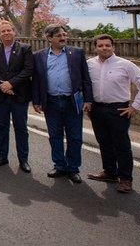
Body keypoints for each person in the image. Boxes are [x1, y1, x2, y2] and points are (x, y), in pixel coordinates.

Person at [86, 34, 140, 194]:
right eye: (100, 45)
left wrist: (135, 106)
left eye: (107, 45)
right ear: (95, 48)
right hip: (96, 109)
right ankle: (110, 172)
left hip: (118, 110)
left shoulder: (125, 65)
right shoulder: (89, 64)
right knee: (104, 141)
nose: (104, 48)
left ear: (113, 47)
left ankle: (125, 179)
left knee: (121, 145)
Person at [32, 24, 92, 183]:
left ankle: (73, 168)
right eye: (59, 35)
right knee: (55, 136)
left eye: (64, 35)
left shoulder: (76, 53)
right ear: (49, 38)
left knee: (75, 137)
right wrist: (36, 101)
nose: (63, 38)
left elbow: (86, 78)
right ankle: (59, 165)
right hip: (51, 102)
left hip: (72, 101)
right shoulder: (39, 56)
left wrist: (88, 99)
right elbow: (36, 80)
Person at [0, 21, 34, 173]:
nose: (6, 33)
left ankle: (23, 159)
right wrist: (3, 85)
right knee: (2, 127)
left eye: (8, 30)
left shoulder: (25, 49)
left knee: (21, 128)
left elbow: (28, 69)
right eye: (3, 31)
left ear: (14, 32)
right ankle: (2, 156)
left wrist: (11, 84)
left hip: (19, 95)